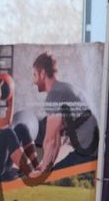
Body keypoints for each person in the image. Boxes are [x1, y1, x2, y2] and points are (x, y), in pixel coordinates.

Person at [26, 52, 99, 180]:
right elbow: (56, 140)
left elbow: (51, 140)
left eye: (35, 75)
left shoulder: (55, 95)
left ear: (42, 73)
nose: (34, 81)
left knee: (51, 177)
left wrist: (43, 171)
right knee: (45, 124)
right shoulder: (64, 89)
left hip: (86, 154)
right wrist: (45, 165)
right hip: (91, 149)